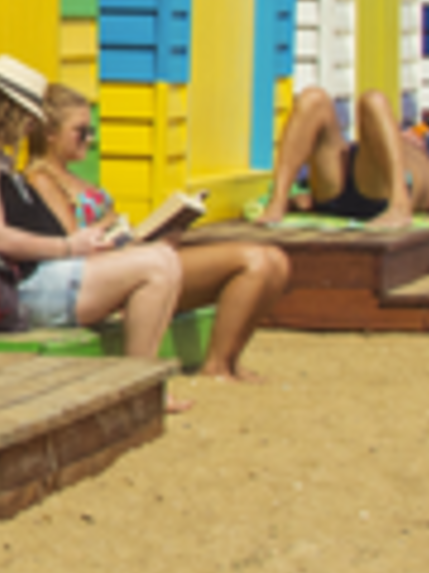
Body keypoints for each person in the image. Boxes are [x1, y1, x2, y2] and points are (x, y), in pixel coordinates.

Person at [25, 76, 296, 382]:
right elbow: (74, 249)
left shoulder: (72, 178)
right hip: (104, 278)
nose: (89, 139)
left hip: (132, 260)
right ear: (49, 134)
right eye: (81, 132)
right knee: (254, 261)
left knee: (277, 261)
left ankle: (231, 361)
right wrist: (118, 231)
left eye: (92, 131)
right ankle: (216, 365)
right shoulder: (43, 180)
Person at [0, 54, 178, 364]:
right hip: (12, 288)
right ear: (5, 110)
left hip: (40, 275)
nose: (29, 128)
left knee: (165, 257)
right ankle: (139, 378)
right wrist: (68, 246)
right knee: (154, 267)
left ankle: (145, 378)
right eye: (27, 117)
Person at [264, 86, 429, 228]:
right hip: (338, 191)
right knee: (313, 98)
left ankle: (400, 206)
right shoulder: (385, 142)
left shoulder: (427, 164)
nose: (413, 134)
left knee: (373, 100)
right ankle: (277, 200)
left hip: (381, 196)